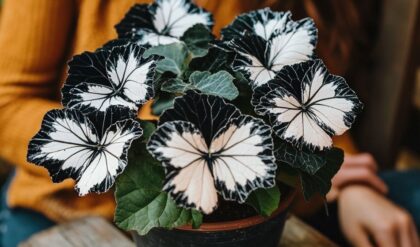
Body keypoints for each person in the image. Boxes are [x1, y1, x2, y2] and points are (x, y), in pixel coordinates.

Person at [0, 0, 418, 246]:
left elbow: (307, 98)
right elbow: (6, 104)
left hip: (238, 216)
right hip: (64, 212)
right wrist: (128, 140)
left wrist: (353, 183)